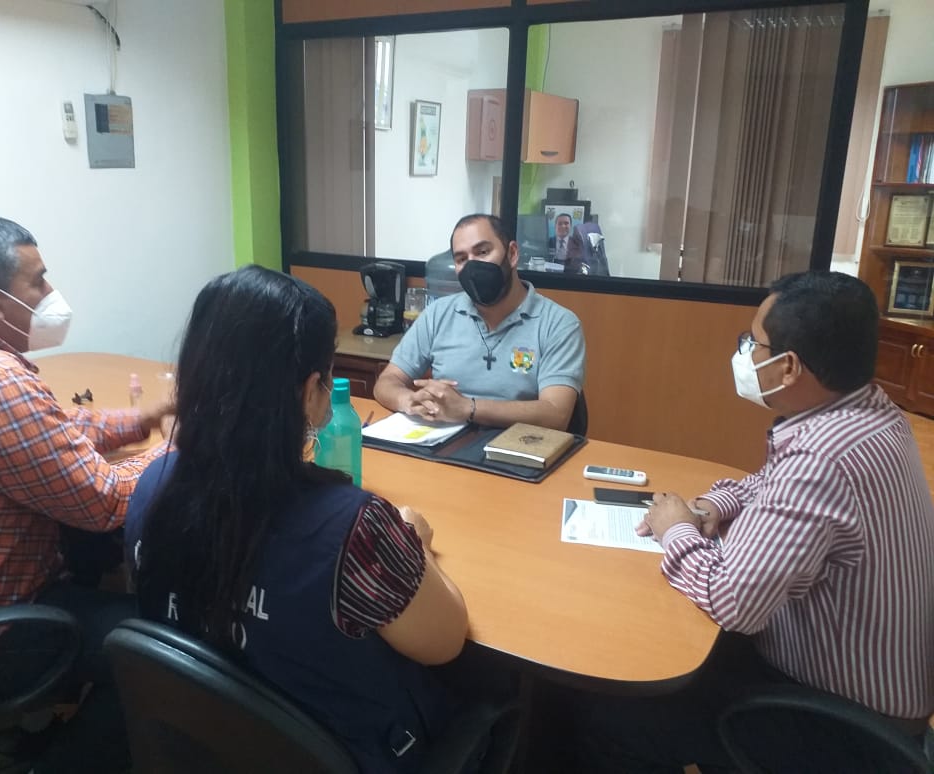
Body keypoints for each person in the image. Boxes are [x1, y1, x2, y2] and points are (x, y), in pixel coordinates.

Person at [579, 271, 934, 771]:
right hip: (870, 696)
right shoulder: (868, 414)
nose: (745, 354)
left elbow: (733, 603)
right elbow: (770, 483)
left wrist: (675, 528)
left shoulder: (820, 460)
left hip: (839, 727)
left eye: (753, 343)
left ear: (789, 367)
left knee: (607, 712)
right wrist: (712, 507)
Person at [125, 266, 470, 774]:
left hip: (205, 746)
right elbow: (445, 641)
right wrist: (412, 544)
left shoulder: (153, 483)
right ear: (311, 389)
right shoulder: (357, 529)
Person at [0, 216, 171, 773]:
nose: (51, 293)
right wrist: (173, 451)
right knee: (159, 650)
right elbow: (103, 502)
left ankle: (20, 731)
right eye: (38, 280)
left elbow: (47, 430)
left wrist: (139, 418)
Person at [373, 214, 586, 431]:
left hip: (519, 445)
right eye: (461, 259)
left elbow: (556, 414)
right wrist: (409, 400)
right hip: (445, 443)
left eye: (482, 252)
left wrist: (468, 408)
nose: (472, 266)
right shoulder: (438, 314)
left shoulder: (559, 323)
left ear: (512, 254)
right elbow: (387, 381)